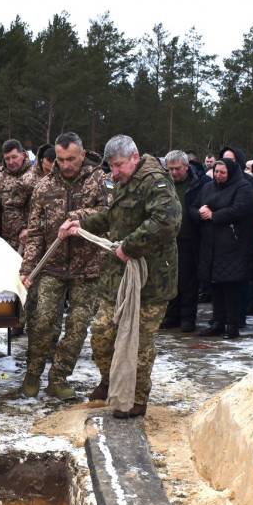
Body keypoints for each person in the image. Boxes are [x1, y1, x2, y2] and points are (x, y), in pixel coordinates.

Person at [59, 134, 181, 418]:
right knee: (101, 334)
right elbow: (115, 218)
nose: (114, 172)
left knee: (138, 342)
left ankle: (135, 398)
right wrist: (82, 223)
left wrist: (130, 245)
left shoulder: (156, 181)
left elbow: (167, 222)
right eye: (111, 166)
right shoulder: (126, 181)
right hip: (117, 277)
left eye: (120, 165)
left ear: (135, 158)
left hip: (151, 279)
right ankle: (110, 380)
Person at [19, 132, 107, 400]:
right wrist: (27, 268)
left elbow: (109, 214)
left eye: (71, 159)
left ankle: (58, 378)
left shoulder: (99, 181)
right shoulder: (43, 187)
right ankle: (33, 373)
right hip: (51, 266)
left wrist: (78, 217)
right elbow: (34, 232)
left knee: (77, 328)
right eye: (60, 159)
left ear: (82, 154)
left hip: (87, 268)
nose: (66, 165)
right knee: (42, 321)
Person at [192, 157, 253, 338]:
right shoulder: (208, 187)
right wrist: (199, 213)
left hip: (232, 244)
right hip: (211, 244)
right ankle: (218, 322)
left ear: (231, 173)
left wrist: (213, 215)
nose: (218, 175)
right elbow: (194, 207)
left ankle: (232, 325)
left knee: (230, 288)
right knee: (216, 286)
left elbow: (240, 209)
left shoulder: (243, 187)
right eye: (216, 172)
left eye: (222, 172)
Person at [161, 150, 210, 332]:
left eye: (177, 169)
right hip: (167, 239)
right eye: (170, 169)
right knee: (170, 279)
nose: (174, 173)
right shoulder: (163, 182)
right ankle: (171, 315)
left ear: (186, 166)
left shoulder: (201, 182)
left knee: (188, 281)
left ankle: (188, 317)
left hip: (190, 238)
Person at [0, 140, 35, 251]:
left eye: (14, 157)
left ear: (23, 155)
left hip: (34, 241)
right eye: (7, 158)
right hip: (9, 244)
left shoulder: (36, 176)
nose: (11, 161)